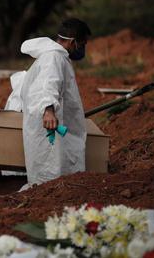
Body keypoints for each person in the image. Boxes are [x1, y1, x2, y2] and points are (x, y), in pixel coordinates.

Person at [19, 18, 89, 188]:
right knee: (50, 174)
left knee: (56, 171)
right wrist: (48, 110)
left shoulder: (57, 56)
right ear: (72, 42)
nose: (83, 48)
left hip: (55, 124)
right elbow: (47, 83)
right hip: (49, 124)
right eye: (83, 43)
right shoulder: (54, 57)